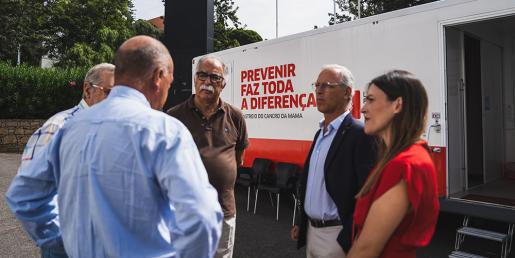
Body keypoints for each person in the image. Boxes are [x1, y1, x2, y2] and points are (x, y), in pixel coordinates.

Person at [6, 35, 223, 258]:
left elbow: (24, 195)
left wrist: (58, 240)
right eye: (171, 80)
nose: (169, 89)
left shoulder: (70, 128)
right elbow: (201, 217)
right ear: (159, 76)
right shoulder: (165, 131)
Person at [10, 63, 114, 258]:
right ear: (87, 89)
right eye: (109, 92)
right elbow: (27, 191)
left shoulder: (115, 128)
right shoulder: (58, 126)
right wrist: (57, 240)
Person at [347, 70, 439, 258]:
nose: (363, 108)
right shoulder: (401, 157)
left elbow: (366, 249)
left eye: (370, 100)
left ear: (397, 105)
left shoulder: (405, 165)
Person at [291, 64, 376, 258]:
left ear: (347, 92)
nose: (319, 91)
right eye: (317, 85)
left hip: (337, 236)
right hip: (312, 232)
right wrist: (301, 222)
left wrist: (349, 239)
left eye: (327, 85)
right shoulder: (320, 133)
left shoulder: (360, 134)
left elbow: (367, 194)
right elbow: (310, 183)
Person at [167, 55, 248, 258]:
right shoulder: (174, 116)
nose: (208, 81)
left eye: (215, 77)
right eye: (202, 75)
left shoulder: (235, 117)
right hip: (184, 213)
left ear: (223, 84)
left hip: (223, 212)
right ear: (195, 79)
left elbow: (239, 157)